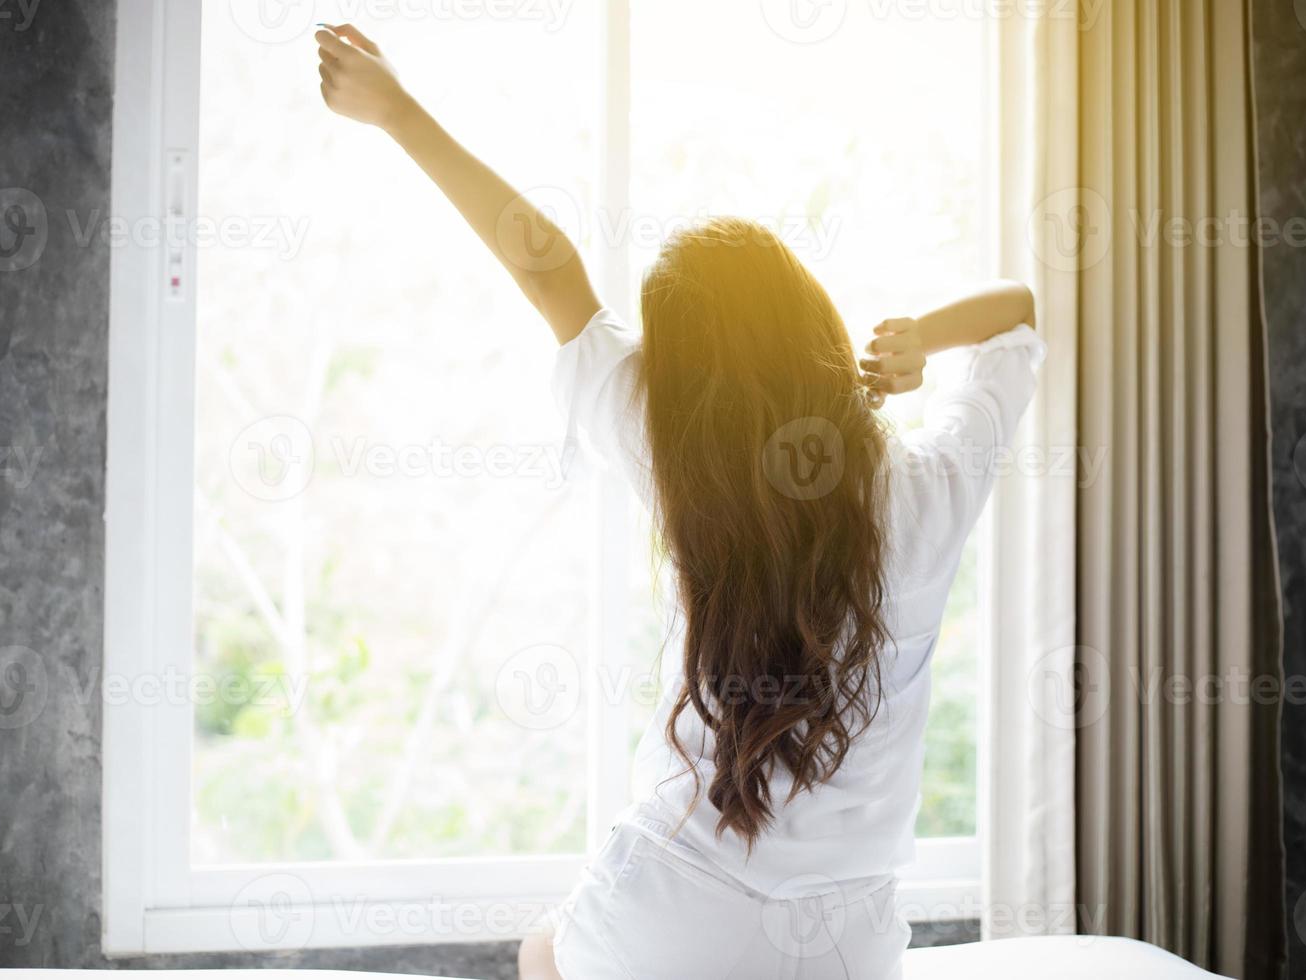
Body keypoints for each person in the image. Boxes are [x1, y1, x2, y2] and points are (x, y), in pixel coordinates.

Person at [316, 24, 1044, 980]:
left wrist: (398, 112)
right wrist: (923, 336)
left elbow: (548, 267)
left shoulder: (671, 447)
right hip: (848, 947)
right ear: (814, 323)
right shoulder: (930, 486)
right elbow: (1020, 309)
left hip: (666, 916)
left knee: (541, 952)